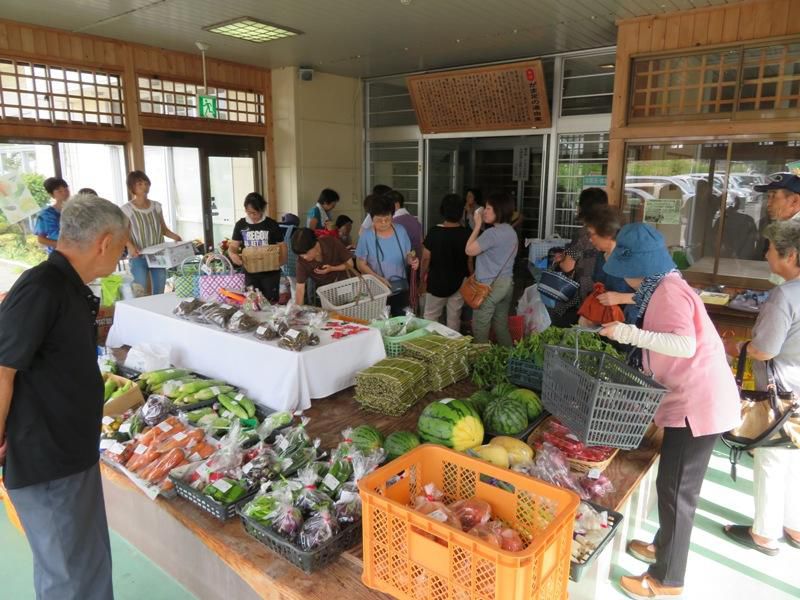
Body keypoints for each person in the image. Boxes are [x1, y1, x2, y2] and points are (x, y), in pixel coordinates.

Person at [597, 223, 740, 600]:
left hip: (699, 404)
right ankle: (664, 546)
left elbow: (682, 343)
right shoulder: (660, 285)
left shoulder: (668, 292)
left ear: (637, 263)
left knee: (678, 492)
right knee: (673, 484)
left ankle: (667, 580)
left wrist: (627, 334)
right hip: (693, 398)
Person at [0, 194, 129, 600]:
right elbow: (1, 370)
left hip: (70, 453)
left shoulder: (68, 286)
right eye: (123, 247)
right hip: (47, 460)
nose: (122, 257)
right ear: (105, 242)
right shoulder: (42, 287)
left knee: (85, 562)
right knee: (69, 575)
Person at [722, 220, 800, 556]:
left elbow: (765, 348)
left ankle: (766, 534)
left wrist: (740, 349)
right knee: (795, 457)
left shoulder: (785, 294)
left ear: (790, 254)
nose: (766, 254)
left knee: (771, 458)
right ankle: (794, 525)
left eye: (769, 248)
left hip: (780, 390)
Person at [550, 187, 609, 327]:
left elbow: (567, 266)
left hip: (583, 294)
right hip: (606, 291)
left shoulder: (583, 235)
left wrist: (560, 261)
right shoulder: (611, 231)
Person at [465, 191, 518, 346]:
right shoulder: (510, 231)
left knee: (480, 327)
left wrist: (477, 225)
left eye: (488, 208)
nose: (485, 212)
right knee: (501, 326)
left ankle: (482, 366)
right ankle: (509, 361)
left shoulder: (491, 234)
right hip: (507, 284)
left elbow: (469, 250)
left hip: (489, 287)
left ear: (499, 210)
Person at [355, 193, 419, 316]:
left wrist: (412, 260)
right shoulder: (366, 236)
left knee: (400, 322)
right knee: (379, 322)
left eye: (388, 218)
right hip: (376, 290)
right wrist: (377, 278)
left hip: (399, 287)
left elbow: (409, 253)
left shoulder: (400, 230)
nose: (384, 223)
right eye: (379, 220)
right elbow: (360, 264)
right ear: (371, 218)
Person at [121, 170, 181, 295]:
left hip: (158, 255)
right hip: (138, 256)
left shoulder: (156, 206)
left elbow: (163, 229)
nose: (145, 186)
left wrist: (176, 237)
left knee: (159, 290)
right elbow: (122, 232)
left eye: (146, 183)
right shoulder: (127, 209)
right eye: (140, 184)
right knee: (139, 290)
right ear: (132, 188)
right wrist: (130, 246)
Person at [421, 193, 471, 331]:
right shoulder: (467, 234)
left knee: (430, 317)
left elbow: (425, 259)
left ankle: (431, 348)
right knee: (454, 318)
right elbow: (470, 261)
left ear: (442, 211)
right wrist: (471, 277)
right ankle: (453, 348)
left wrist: (421, 279)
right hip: (459, 281)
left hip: (436, 282)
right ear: (461, 213)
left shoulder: (434, 232)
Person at [580, 205, 637, 325]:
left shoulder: (632, 258)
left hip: (628, 327)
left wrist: (621, 298)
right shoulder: (601, 255)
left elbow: (653, 295)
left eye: (591, 234)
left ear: (607, 235)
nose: (590, 239)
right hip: (605, 322)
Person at [228, 192, 285, 302]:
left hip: (270, 273)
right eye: (249, 213)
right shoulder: (241, 224)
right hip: (250, 272)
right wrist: (232, 254)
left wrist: (282, 261)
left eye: (255, 213)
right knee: (253, 303)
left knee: (270, 303)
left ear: (262, 210)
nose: (253, 216)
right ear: (245, 210)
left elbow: (282, 245)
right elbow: (233, 246)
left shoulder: (271, 224)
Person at [291, 227, 355, 305]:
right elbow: (300, 289)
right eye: (301, 255)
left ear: (315, 244)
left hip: (346, 285)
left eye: (306, 253)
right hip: (328, 293)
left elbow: (350, 263)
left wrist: (332, 268)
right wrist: (297, 310)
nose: (304, 257)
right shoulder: (301, 262)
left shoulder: (331, 242)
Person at [34, 177, 70, 253]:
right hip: (59, 254)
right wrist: (62, 246)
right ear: (52, 195)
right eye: (59, 191)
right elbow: (41, 239)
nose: (64, 192)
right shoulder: (45, 215)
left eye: (66, 189)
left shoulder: (78, 209)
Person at [387, 190, 423, 260]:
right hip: (415, 261)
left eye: (386, 204)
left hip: (400, 263)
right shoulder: (414, 220)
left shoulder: (393, 222)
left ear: (396, 204)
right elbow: (421, 244)